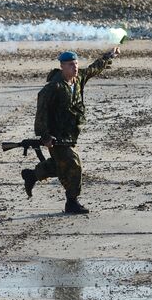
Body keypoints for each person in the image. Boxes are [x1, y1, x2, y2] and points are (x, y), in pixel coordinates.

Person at [21, 48, 120, 214]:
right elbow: (42, 112)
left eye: (75, 64)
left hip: (70, 134)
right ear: (62, 67)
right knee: (73, 164)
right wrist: (45, 136)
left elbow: (94, 68)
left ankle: (32, 175)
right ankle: (72, 202)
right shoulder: (54, 87)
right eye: (70, 65)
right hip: (55, 136)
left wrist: (109, 56)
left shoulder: (78, 78)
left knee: (61, 165)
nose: (74, 68)